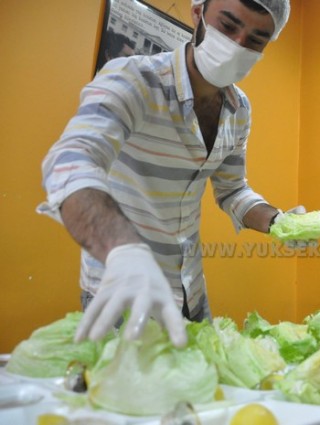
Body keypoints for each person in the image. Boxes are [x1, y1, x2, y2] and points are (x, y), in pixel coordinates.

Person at [38, 0, 296, 348]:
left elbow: (233, 191)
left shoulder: (239, 110)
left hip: (191, 290)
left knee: (201, 381)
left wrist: (278, 221)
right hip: (124, 288)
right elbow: (72, 161)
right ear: (198, 14)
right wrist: (123, 249)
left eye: (255, 40)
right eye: (228, 26)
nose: (237, 45)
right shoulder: (134, 79)